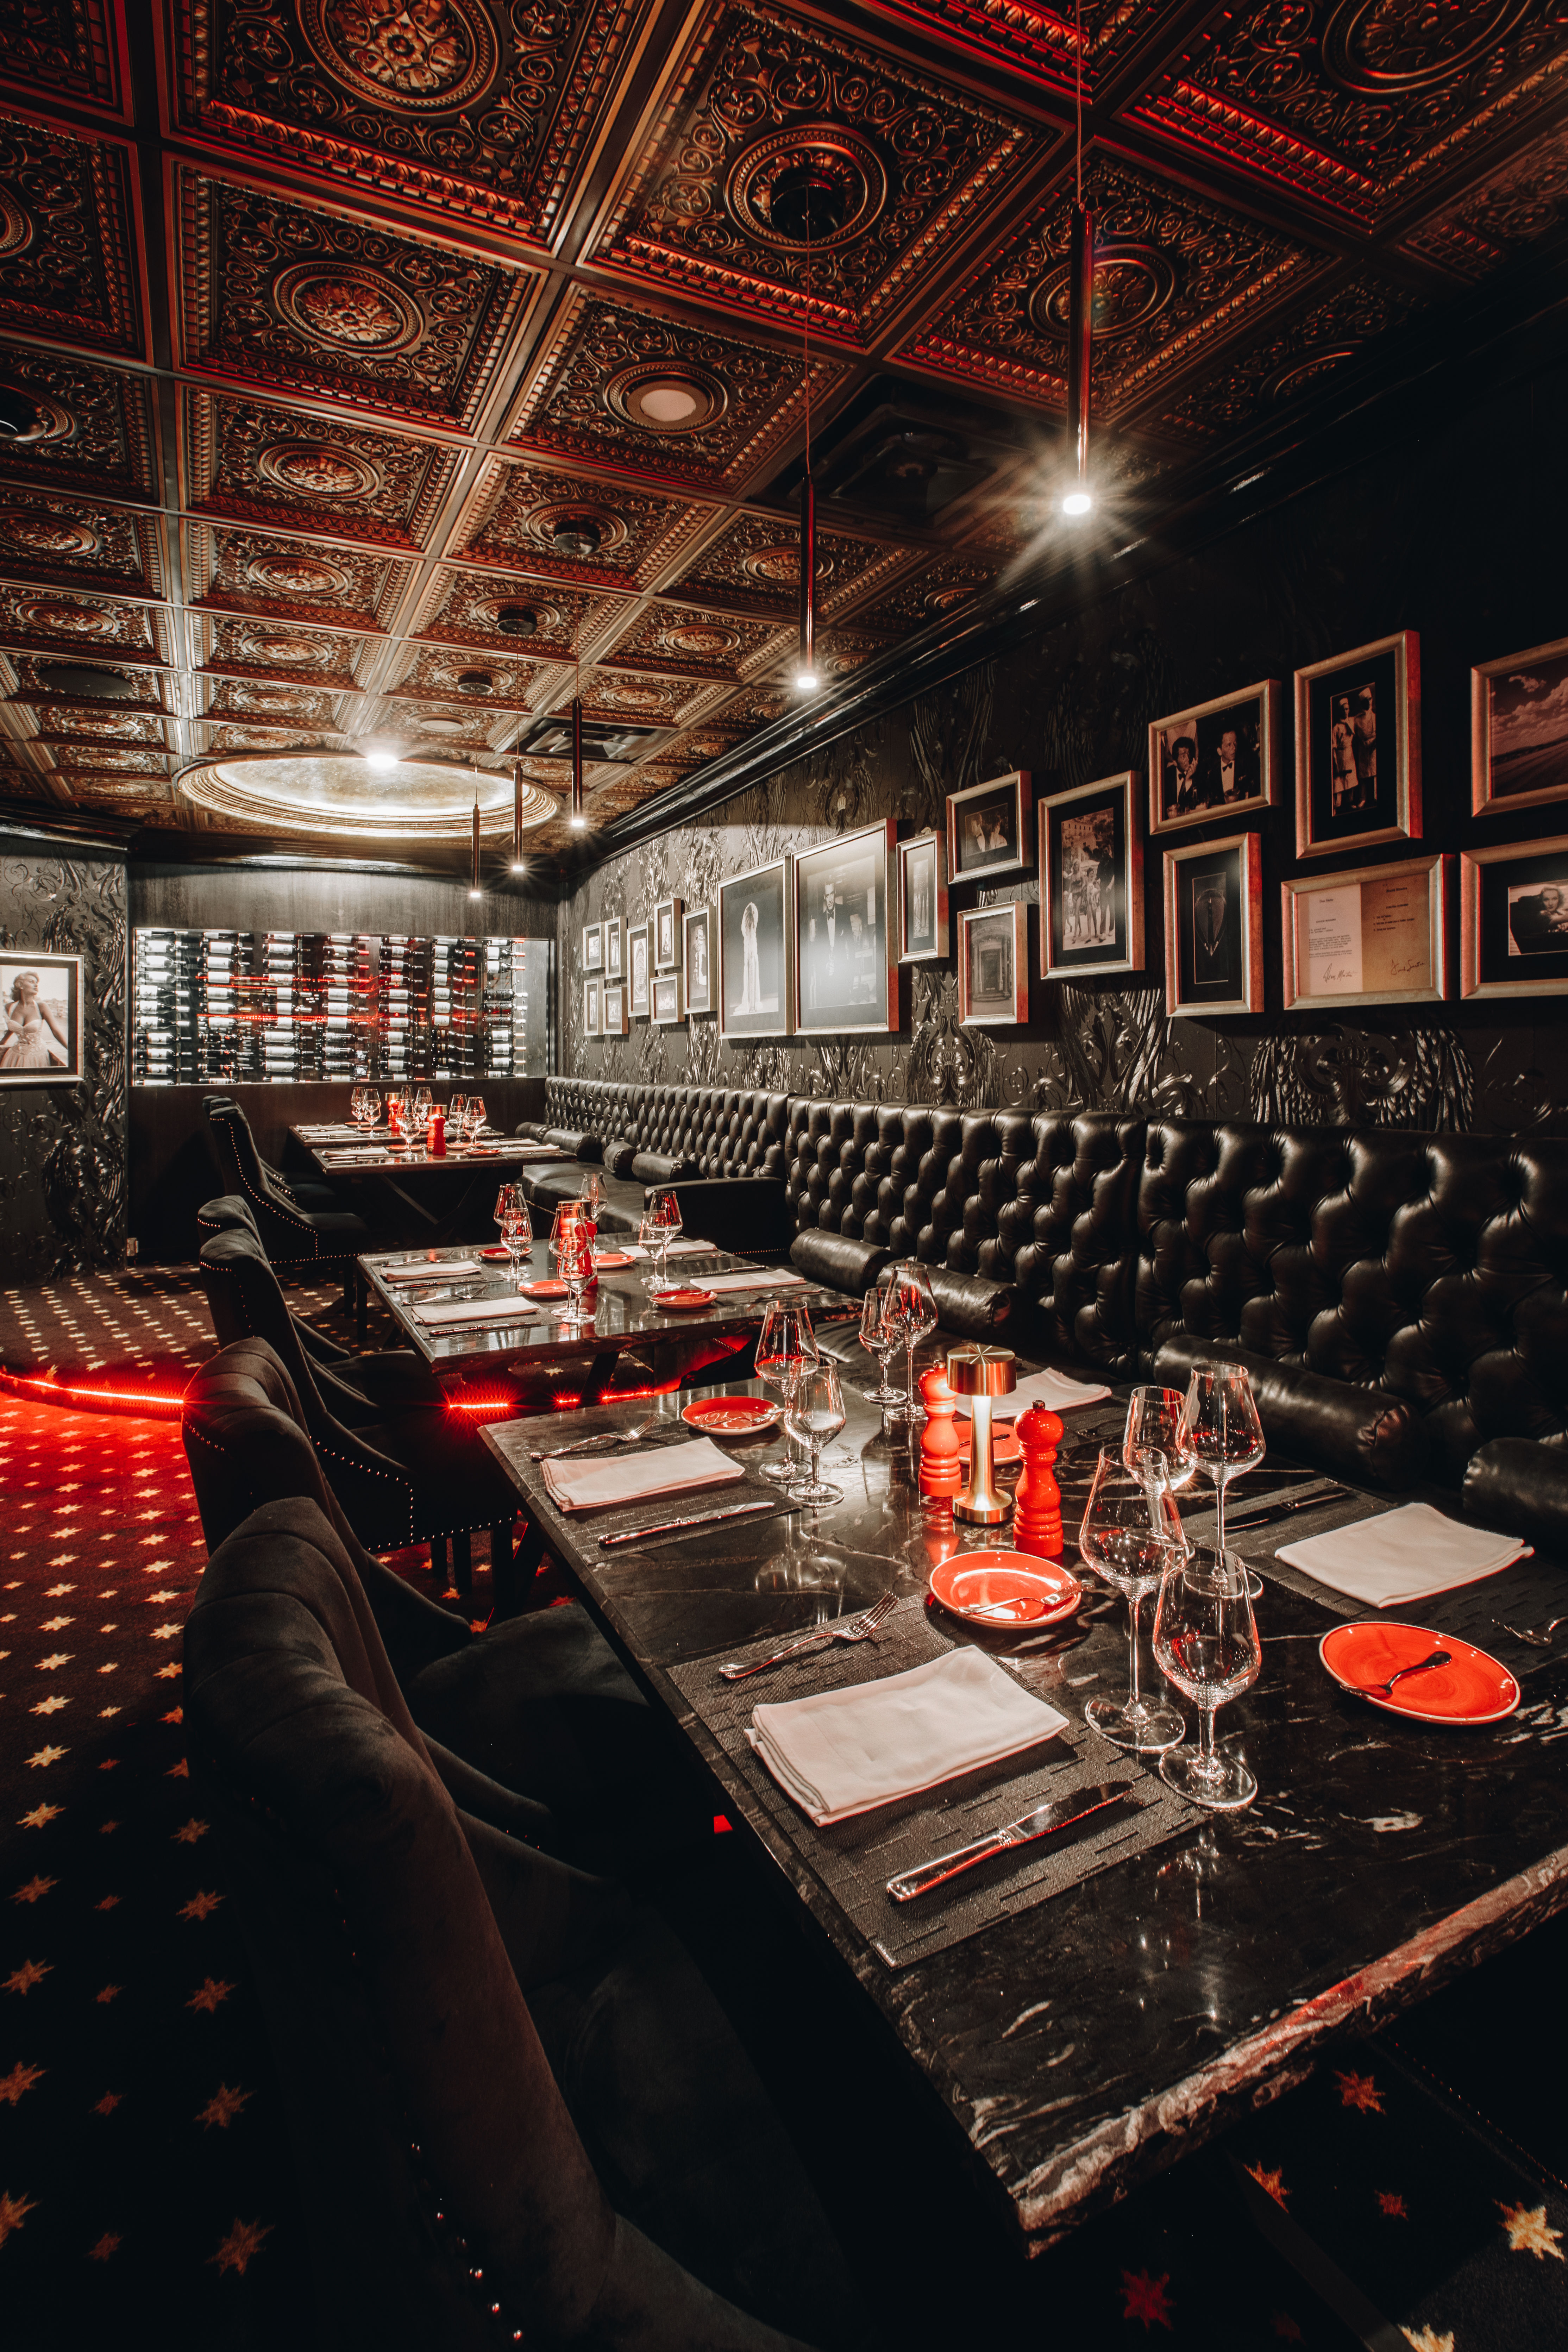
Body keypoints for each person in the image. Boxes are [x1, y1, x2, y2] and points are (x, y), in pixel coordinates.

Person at [0, 970, 69, 1069]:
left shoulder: (42, 1006)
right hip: (14, 1056)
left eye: (37, 983)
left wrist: (73, 1052)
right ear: (21, 985)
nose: (36, 985)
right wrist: (3, 1042)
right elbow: (14, 1027)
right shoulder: (9, 1007)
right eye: (32, 982)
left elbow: (56, 1031)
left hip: (38, 1057)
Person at [1199, 723, 1257, 807]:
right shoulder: (1211, 772)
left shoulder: (1246, 764)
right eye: (1229, 745)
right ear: (1220, 751)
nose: (1234, 748)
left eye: (1235, 742)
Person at [1509, 882, 1568, 953]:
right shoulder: (1541, 915)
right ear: (1541, 901)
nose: (1551, 904)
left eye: (1554, 899)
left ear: (1560, 900)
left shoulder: (1561, 912)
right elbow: (1563, 919)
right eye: (1546, 900)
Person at [738, 899, 762, 1014]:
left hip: (752, 953)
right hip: (750, 953)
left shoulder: (752, 930)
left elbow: (750, 933)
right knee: (750, 977)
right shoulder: (748, 932)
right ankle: (750, 1003)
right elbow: (746, 934)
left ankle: (753, 1004)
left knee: (753, 977)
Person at [1168, 736, 1202, 816]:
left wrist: (1188, 781)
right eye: (1183, 756)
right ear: (1175, 763)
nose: (1188, 759)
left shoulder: (1199, 772)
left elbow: (1197, 806)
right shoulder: (1167, 777)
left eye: (1189, 754)